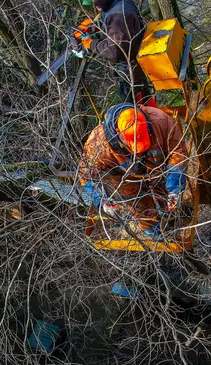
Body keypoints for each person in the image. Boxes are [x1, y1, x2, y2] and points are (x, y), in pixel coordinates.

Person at [79, 103, 188, 238]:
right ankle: (156, 237)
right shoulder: (97, 144)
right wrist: (101, 201)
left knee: (167, 199)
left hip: (158, 170)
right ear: (118, 133)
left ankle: (171, 221)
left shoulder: (160, 120)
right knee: (142, 212)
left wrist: (174, 189)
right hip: (127, 181)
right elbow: (85, 174)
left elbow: (178, 153)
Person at [71, 0, 153, 104]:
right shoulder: (120, 4)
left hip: (128, 74)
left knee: (136, 111)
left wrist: (91, 44)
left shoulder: (117, 16)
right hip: (134, 69)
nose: (94, 5)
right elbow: (116, 30)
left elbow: (115, 50)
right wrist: (96, 23)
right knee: (146, 105)